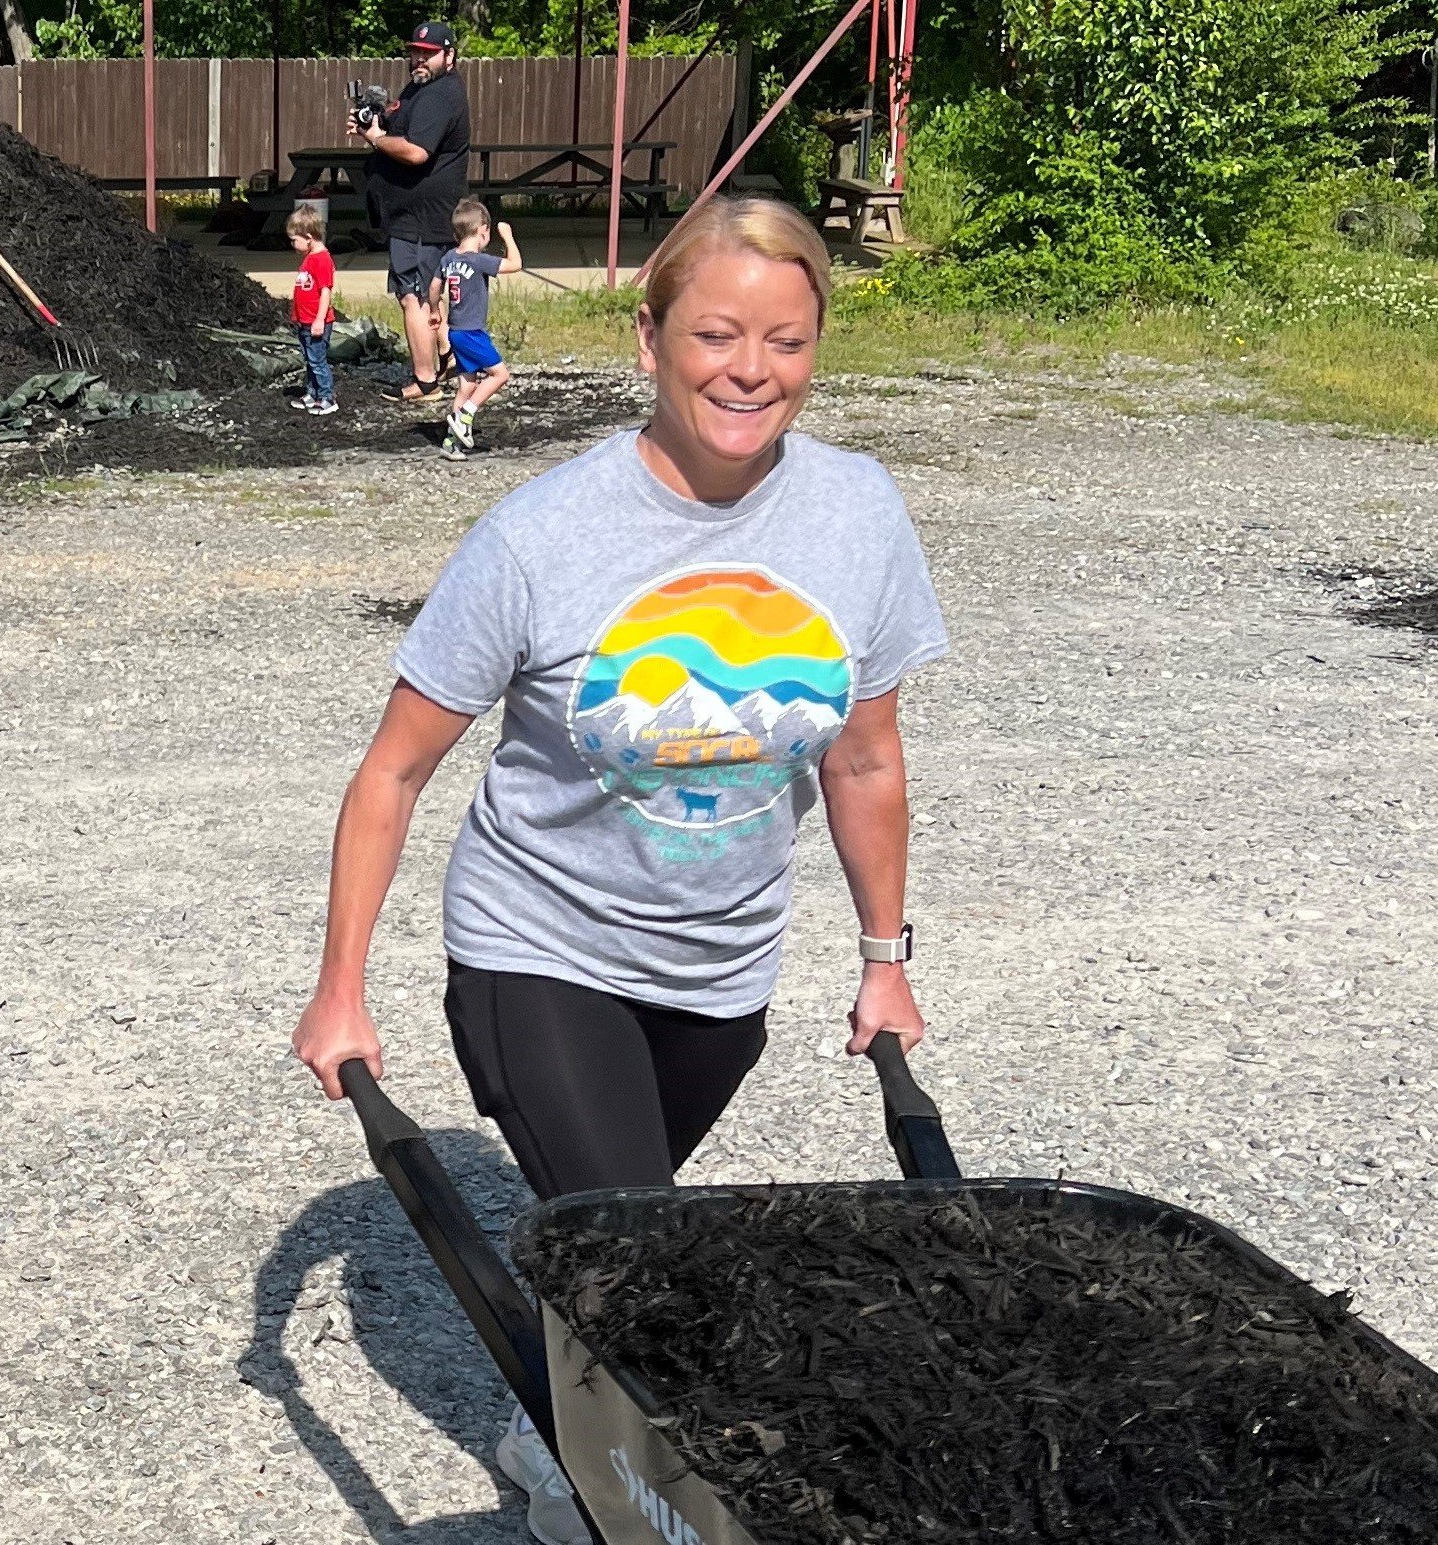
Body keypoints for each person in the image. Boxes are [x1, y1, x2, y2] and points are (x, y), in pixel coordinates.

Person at [288, 196, 948, 1545]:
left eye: (783, 341)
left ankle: (561, 1407)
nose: (747, 370)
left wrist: (885, 964)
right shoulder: (542, 536)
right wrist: (338, 986)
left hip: (717, 973)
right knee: (652, 1263)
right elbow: (392, 771)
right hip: (539, 950)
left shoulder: (857, 515)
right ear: (647, 337)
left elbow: (863, 760)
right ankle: (594, 1494)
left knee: (609, 1245)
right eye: (713, 333)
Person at [353, 19, 468, 402]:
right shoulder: (421, 89)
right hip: (416, 215)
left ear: (449, 57)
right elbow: (401, 125)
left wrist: (376, 138)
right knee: (428, 293)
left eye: (429, 54)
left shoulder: (441, 94)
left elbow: (417, 151)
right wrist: (377, 120)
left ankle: (425, 383)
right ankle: (448, 357)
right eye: (416, 52)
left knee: (413, 295)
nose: (419, 59)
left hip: (422, 218)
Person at [429, 200, 521, 461]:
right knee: (500, 374)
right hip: (472, 332)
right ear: (483, 231)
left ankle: (451, 442)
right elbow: (515, 264)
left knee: (467, 385)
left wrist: (435, 312)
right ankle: (467, 413)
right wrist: (508, 236)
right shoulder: (479, 261)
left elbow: (435, 286)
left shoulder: (448, 258)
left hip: (455, 330)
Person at [288, 204, 338, 415]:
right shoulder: (309, 258)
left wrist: (319, 319)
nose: (293, 244)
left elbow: (325, 292)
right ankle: (312, 392)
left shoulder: (322, 260)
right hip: (305, 320)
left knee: (318, 361)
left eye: (294, 240)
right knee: (309, 359)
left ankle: (327, 396)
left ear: (308, 237)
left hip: (317, 322)